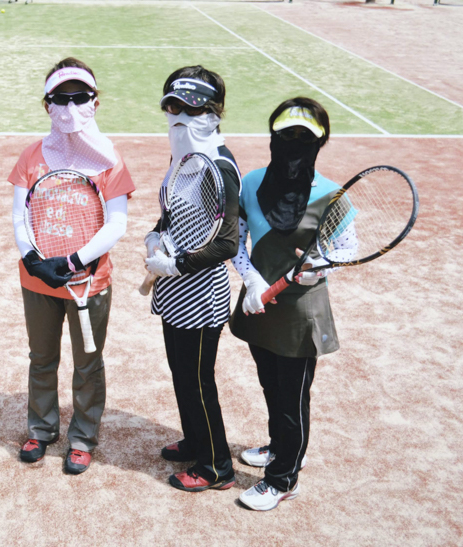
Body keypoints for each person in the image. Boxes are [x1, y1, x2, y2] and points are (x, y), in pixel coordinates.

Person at [8, 58, 135, 474]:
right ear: (47, 105)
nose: (70, 107)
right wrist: (33, 260)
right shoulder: (31, 156)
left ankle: (82, 438)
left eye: (80, 97)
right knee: (41, 359)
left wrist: (75, 260)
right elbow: (20, 216)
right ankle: (41, 429)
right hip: (38, 281)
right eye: (60, 99)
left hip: (89, 282)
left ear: (95, 102)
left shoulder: (110, 158)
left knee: (88, 364)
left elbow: (117, 223)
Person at [230, 97, 347, 511]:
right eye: (286, 135)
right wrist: (251, 279)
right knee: (271, 385)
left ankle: (283, 480)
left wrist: (320, 267)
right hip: (259, 305)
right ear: (272, 137)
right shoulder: (250, 183)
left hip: (300, 315)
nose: (294, 143)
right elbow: (236, 241)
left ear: (320, 143)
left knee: (293, 399)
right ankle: (280, 448)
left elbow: (347, 249)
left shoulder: (332, 195)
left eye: (304, 137)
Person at [143, 66, 241, 492]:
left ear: (214, 114)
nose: (179, 116)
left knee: (198, 381)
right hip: (174, 290)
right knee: (181, 374)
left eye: (192, 109)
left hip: (200, 295)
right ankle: (196, 441)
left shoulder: (219, 166)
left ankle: (217, 465)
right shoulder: (182, 156)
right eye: (172, 107)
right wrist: (156, 234)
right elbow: (173, 211)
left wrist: (177, 264)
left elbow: (227, 243)